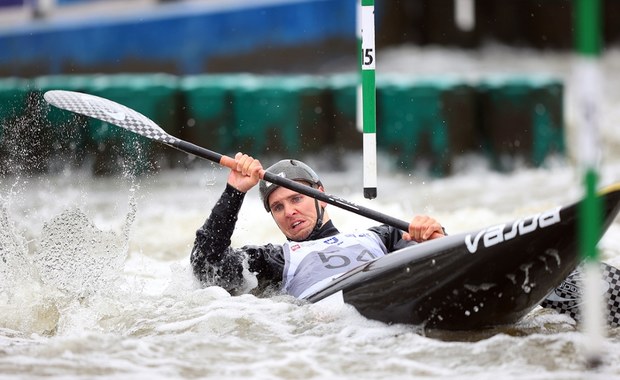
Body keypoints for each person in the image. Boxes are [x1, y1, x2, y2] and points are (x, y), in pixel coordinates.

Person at [190, 153, 446, 298]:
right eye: (277, 207)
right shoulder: (274, 259)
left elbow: (440, 260)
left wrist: (432, 234)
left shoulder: (383, 236)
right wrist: (233, 192)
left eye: (296, 198)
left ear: (320, 195)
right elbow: (207, 269)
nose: (289, 211)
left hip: (390, 294)